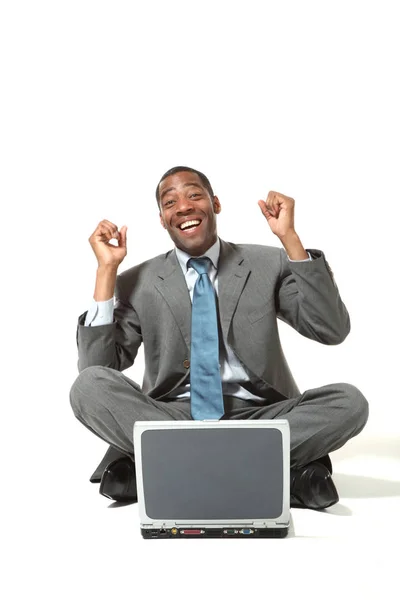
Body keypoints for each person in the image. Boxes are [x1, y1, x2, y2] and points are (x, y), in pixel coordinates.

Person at [70, 166, 369, 509]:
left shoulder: (268, 263)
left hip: (262, 416)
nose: (183, 206)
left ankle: (164, 468)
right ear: (163, 220)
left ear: (215, 204)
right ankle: (279, 475)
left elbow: (331, 330)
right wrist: (106, 271)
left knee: (350, 403)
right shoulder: (139, 281)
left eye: (194, 195)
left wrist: (290, 240)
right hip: (174, 418)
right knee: (87, 387)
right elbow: (97, 369)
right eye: (170, 202)